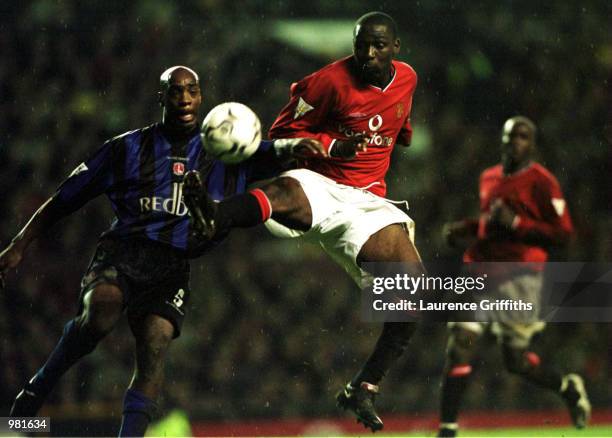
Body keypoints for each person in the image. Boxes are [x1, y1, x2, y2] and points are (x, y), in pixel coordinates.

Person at [0, 65, 322, 437]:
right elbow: (64, 200)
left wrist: (296, 147)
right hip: (125, 251)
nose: (184, 98)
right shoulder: (126, 148)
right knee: (101, 311)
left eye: (192, 90)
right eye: (175, 91)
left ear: (202, 97)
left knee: (154, 347)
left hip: (172, 266)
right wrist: (18, 245)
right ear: (162, 98)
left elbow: (274, 152)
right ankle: (36, 390)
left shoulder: (230, 150)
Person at [183, 12, 422, 432]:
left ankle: (363, 387)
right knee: (285, 192)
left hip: (368, 203)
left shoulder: (407, 79)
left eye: (378, 46)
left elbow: (397, 124)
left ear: (396, 49)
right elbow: (279, 134)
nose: (367, 53)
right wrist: (332, 146)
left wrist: (400, 134)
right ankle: (213, 214)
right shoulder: (327, 82)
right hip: (322, 182)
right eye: (361, 44)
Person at [437, 116, 591, 437]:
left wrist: (519, 225)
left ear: (532, 144)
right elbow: (488, 223)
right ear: (502, 140)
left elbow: (564, 236)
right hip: (478, 269)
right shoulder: (488, 177)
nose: (514, 142)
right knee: (460, 342)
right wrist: (464, 229)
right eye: (509, 136)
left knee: (516, 361)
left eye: (522, 137)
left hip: (519, 276)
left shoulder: (542, 182)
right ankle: (448, 429)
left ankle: (567, 388)